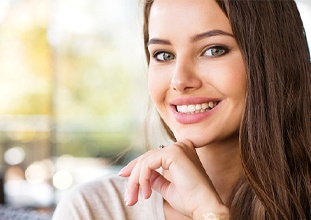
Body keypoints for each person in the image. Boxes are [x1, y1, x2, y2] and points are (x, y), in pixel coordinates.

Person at [52, 0, 311, 219]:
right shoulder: (93, 210)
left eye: (214, 50)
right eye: (164, 55)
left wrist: (208, 212)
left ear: (272, 59)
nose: (179, 80)